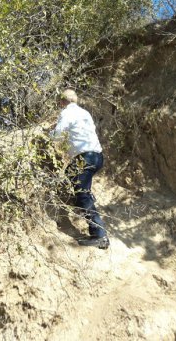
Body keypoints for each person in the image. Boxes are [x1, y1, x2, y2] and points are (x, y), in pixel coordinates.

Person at [51, 89, 109, 249]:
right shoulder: (85, 113)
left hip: (85, 158)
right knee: (70, 173)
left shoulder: (66, 113)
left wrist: (47, 133)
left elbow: (57, 136)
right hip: (97, 156)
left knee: (82, 194)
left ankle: (100, 236)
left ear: (63, 102)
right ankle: (85, 198)